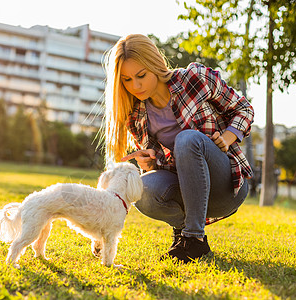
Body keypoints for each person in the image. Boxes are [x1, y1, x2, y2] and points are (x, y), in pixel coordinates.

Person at [102, 34, 254, 263]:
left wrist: (228, 136)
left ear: (155, 64)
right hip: (187, 191)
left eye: (141, 75)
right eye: (127, 80)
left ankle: (194, 239)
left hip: (225, 186)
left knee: (187, 139)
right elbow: (162, 167)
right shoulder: (136, 115)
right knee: (143, 188)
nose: (136, 86)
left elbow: (244, 108)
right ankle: (185, 236)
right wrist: (149, 163)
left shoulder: (194, 78)